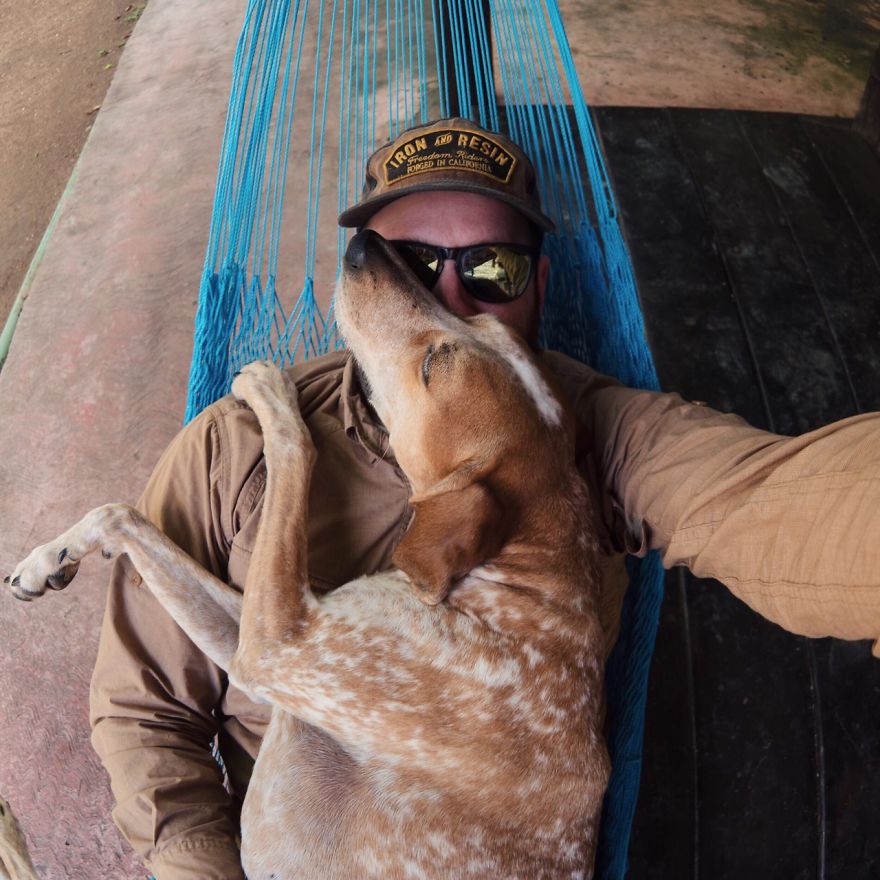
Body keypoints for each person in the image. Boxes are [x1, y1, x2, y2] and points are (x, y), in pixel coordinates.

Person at [88, 118, 880, 880]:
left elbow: (760, 500)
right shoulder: (236, 445)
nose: (450, 299)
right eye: (409, 263)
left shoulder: (583, 435)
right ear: (368, 283)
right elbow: (145, 709)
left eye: (490, 269)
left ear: (537, 286)